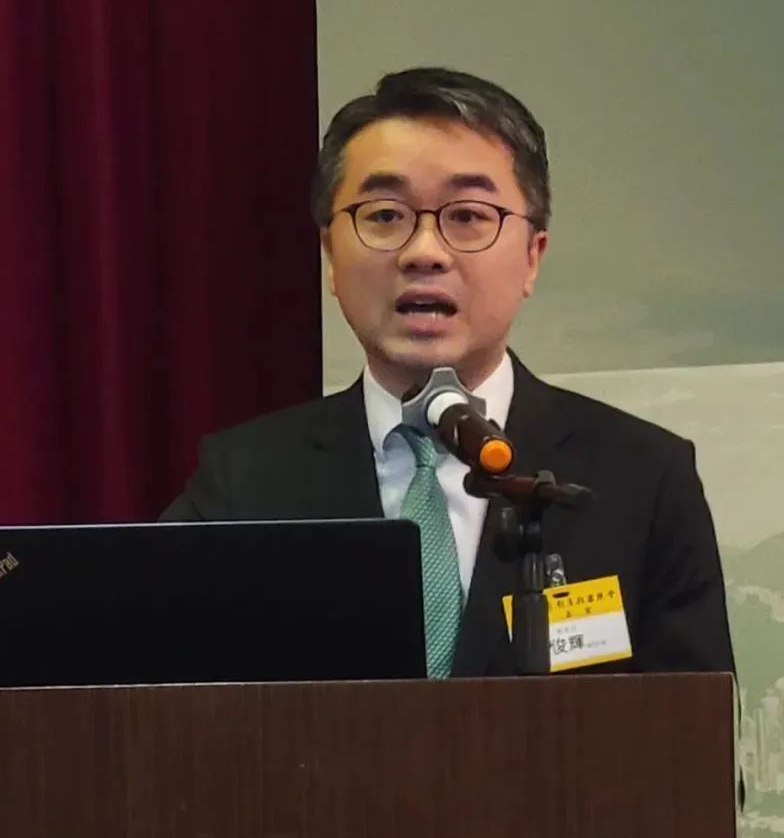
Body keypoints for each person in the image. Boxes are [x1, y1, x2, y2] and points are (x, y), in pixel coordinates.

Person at [162, 67, 734, 678]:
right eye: (385, 215)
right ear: (330, 255)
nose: (424, 252)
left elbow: (694, 732)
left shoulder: (642, 478)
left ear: (532, 257)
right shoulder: (245, 484)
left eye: (467, 216)